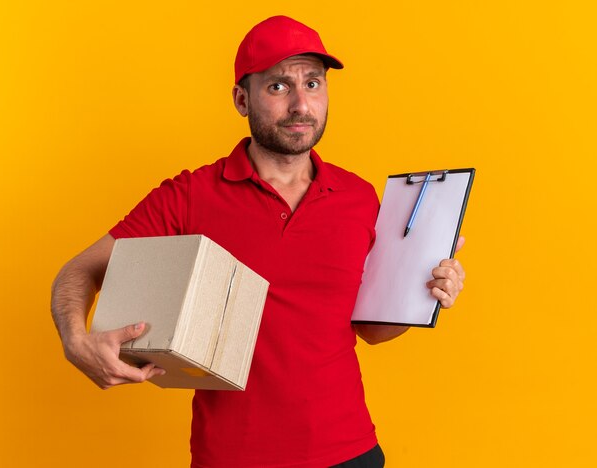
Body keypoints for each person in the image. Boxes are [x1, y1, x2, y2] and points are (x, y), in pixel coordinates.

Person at [51, 15, 466, 468]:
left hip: (350, 451)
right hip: (234, 456)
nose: (301, 105)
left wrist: (423, 294)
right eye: (278, 87)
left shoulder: (359, 198)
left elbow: (371, 331)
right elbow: (79, 271)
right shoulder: (191, 195)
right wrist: (76, 340)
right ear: (241, 99)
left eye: (313, 83)